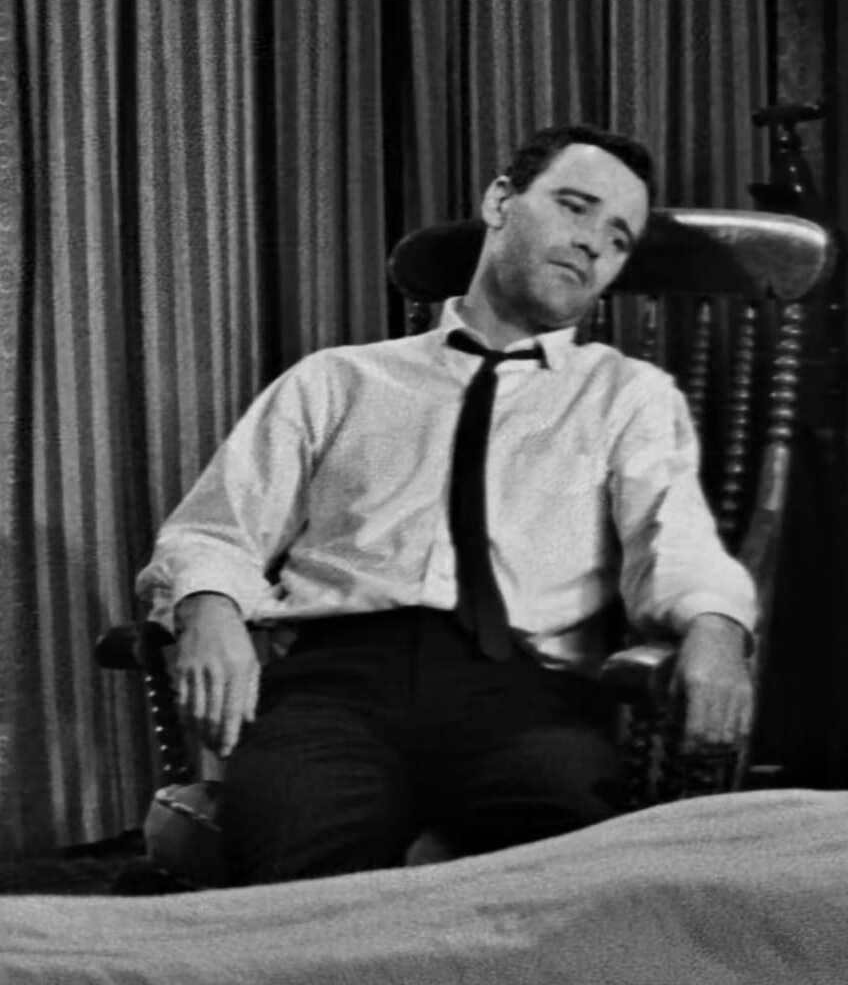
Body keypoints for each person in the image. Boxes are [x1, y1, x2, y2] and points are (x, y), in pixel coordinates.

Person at [137, 123, 757, 885]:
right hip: (335, 689)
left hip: (526, 695)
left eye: (619, 238)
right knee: (299, 878)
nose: (593, 244)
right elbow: (214, 529)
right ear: (500, 201)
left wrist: (716, 630)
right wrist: (208, 607)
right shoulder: (336, 381)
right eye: (574, 207)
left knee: (566, 876)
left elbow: (678, 543)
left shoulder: (626, 396)